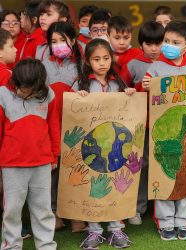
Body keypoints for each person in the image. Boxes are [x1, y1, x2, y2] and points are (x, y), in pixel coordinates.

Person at [142, 20, 186, 241]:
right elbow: (145, 99)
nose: (168, 45)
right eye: (166, 41)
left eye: (175, 42)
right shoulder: (155, 68)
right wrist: (146, 88)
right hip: (165, 134)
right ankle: (165, 220)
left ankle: (184, 219)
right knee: (165, 173)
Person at [77, 39, 135, 249]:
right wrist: (79, 97)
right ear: (87, 61)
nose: (102, 63)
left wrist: (128, 93)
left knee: (115, 184)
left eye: (106, 58)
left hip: (115, 149)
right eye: (96, 59)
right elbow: (74, 111)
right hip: (92, 149)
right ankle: (94, 231)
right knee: (93, 186)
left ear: (112, 59)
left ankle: (116, 228)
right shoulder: (82, 84)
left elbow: (129, 110)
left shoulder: (118, 82)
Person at [0, 58, 59, 250]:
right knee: (12, 209)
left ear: (38, 86)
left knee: (43, 208)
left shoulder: (48, 94)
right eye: (21, 88)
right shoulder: (3, 94)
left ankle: (46, 244)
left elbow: (53, 126)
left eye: (28, 90)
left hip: (42, 162)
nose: (23, 92)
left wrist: (54, 154)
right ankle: (12, 245)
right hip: (12, 164)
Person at [40, 21, 86, 232]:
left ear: (73, 40)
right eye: (53, 41)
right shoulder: (42, 61)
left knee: (75, 167)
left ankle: (76, 214)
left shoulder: (82, 62)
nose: (58, 45)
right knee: (52, 169)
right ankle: (54, 212)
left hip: (75, 125)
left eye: (62, 40)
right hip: (49, 123)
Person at [120, 20, 164, 226]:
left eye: (158, 43)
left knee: (162, 165)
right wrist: (139, 88)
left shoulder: (169, 63)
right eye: (149, 44)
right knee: (140, 165)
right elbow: (120, 91)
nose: (154, 49)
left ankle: (163, 207)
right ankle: (137, 207)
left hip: (164, 125)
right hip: (141, 125)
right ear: (141, 44)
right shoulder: (133, 65)